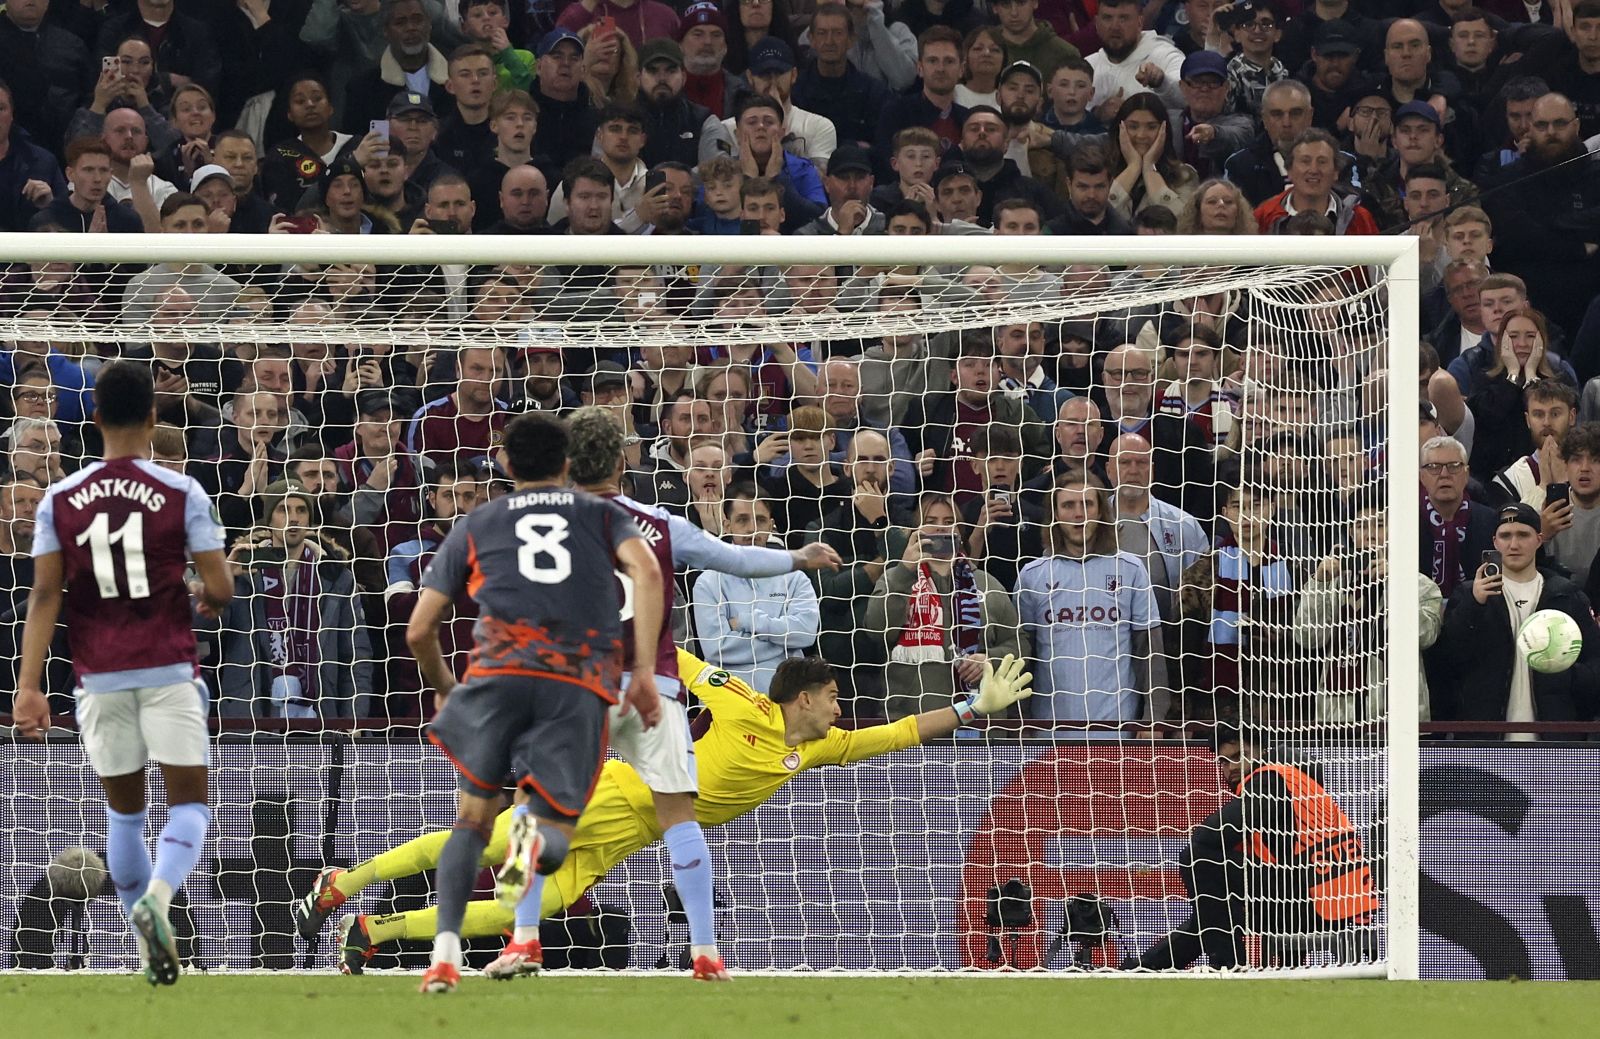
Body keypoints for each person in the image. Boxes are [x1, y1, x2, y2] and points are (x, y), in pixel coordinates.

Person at [315, 649, 1032, 967]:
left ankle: (371, 929)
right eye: (835, 695)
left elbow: (902, 732)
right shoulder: (744, 702)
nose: (843, 707)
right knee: (486, 841)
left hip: (627, 837)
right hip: (611, 797)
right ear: (803, 697)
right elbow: (682, 659)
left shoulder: (817, 746)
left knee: (508, 914)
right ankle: (343, 883)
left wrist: (973, 707)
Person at [405, 411, 665, 994]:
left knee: (470, 821)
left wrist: (447, 686)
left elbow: (419, 630)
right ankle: (529, 844)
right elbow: (646, 571)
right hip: (574, 683)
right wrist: (644, 669)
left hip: (496, 677)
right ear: (568, 465)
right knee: (554, 830)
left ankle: (445, 957)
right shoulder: (600, 513)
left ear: (502, 463)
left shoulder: (477, 521)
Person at [13, 361, 233, 986]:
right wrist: (210, 594)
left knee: (126, 817)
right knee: (189, 805)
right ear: (155, 418)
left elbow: (45, 596)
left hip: (98, 676)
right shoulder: (182, 492)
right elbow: (218, 585)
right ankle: (157, 900)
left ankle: (144, 951)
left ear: (95, 418)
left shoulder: (59, 498)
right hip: (168, 668)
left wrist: (29, 688)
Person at [1128, 719, 1381, 970]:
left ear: (1263, 751)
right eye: (1224, 761)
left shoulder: (1269, 780)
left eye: (1239, 755)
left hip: (1313, 904)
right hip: (1343, 903)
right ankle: (1140, 970)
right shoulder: (1297, 781)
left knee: (1197, 858)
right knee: (1213, 915)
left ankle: (1227, 965)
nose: (1231, 767)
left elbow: (1206, 837)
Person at [1435, 502, 1600, 735]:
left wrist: (1565, 674)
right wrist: (1474, 605)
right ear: (1494, 542)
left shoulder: (1567, 596)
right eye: (1505, 536)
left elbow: (1595, 665)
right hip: (1484, 741)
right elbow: (1448, 661)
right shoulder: (1468, 594)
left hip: (1556, 741)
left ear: (1539, 539)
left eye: (1523, 534)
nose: (1514, 544)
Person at [217, 480, 376, 720]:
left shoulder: (336, 577)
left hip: (320, 721)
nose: (294, 518)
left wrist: (354, 719)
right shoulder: (243, 570)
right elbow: (200, 630)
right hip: (251, 721)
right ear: (269, 518)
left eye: (301, 510)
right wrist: (222, 581)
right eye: (283, 509)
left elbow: (356, 657)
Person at [1016, 474, 1161, 729]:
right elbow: (1020, 657)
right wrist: (1020, 722)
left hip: (1117, 729)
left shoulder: (1131, 569)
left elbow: (1149, 650)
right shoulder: (1032, 576)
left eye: (1087, 504)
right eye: (1068, 505)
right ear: (1055, 514)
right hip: (1049, 731)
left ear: (1101, 510)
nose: (1079, 514)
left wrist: (1153, 719)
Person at [861, 494, 1025, 718]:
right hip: (910, 722)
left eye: (949, 522)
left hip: (980, 724)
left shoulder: (988, 583)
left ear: (960, 531)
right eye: (931, 521)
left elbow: (1020, 643)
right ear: (915, 531)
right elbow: (875, 631)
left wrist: (990, 659)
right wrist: (905, 571)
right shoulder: (895, 578)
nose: (940, 528)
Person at [692, 492, 821, 689]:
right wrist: (784, 645)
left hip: (788, 699)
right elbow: (717, 648)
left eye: (760, 520)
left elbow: (805, 634)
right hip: (730, 700)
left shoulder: (795, 578)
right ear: (728, 526)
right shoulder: (707, 582)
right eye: (742, 520)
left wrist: (747, 621)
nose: (752, 529)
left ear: (771, 526)